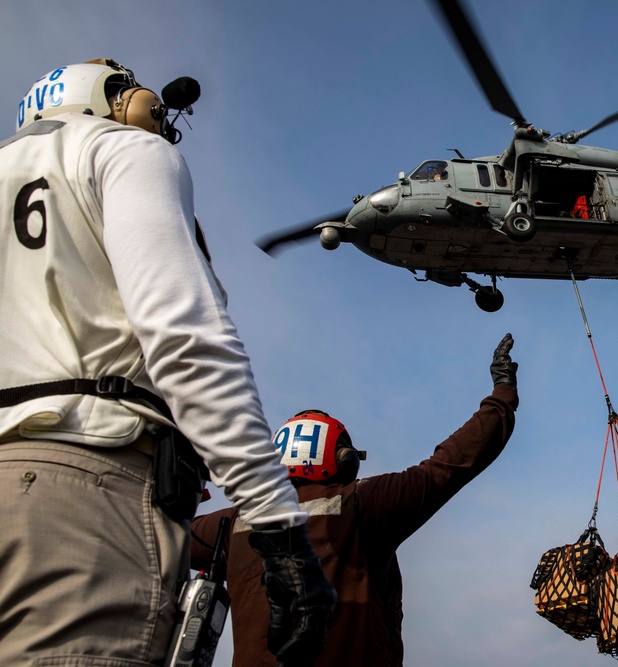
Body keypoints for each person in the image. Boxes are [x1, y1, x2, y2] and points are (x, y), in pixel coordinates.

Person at [0, 59, 335, 666]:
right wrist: (277, 524)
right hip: (87, 494)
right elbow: (185, 339)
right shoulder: (122, 150)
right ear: (116, 100)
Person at [190, 333, 520, 667]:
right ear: (343, 459)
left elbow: (169, 535)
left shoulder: (231, 523)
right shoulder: (363, 504)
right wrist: (502, 393)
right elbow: (450, 464)